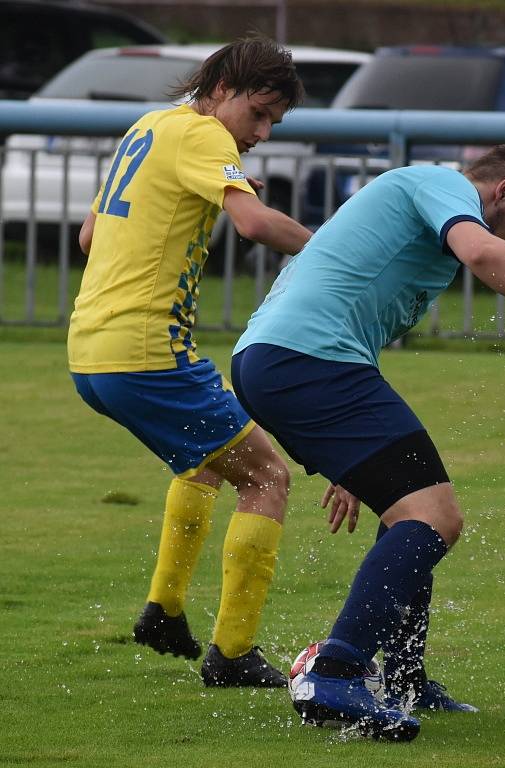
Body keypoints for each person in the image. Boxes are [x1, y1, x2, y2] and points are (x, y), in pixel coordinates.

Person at [231, 143, 505, 740]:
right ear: (503, 190)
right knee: (437, 518)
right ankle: (337, 671)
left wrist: (351, 465)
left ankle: (404, 679)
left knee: (409, 510)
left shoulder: (421, 221)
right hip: (306, 362)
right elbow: (484, 254)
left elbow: (354, 309)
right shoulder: (441, 185)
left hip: (283, 362)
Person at [67, 37, 312, 688]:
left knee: (206, 463)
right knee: (267, 478)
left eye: (272, 124)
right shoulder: (208, 137)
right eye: (257, 114)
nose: (259, 133)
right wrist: (331, 249)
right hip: (148, 354)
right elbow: (255, 227)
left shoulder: (150, 126)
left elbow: (89, 236)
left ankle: (164, 610)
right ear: (222, 89)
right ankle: (232, 656)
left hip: (90, 353)